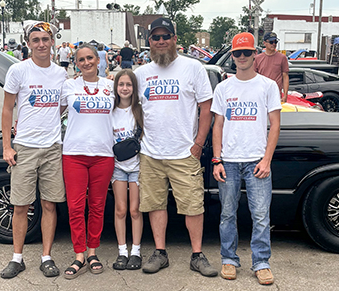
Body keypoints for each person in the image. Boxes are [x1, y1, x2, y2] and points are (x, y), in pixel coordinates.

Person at [134, 17, 217, 277]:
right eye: (155, 38)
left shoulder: (193, 68)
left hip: (184, 152)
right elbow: (133, 107)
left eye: (165, 36)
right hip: (150, 152)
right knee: (155, 204)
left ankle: (197, 254)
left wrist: (199, 143)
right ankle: (160, 252)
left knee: (193, 205)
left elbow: (207, 107)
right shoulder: (141, 73)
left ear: (174, 40)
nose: (160, 42)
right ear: (149, 42)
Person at [211, 32, 281, 285]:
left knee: (261, 215)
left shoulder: (267, 86)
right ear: (232, 56)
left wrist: (266, 160)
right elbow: (217, 125)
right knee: (228, 213)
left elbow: (275, 125)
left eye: (247, 52)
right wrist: (216, 160)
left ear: (255, 54)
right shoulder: (223, 88)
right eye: (238, 53)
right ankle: (229, 259)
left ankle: (261, 262)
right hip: (228, 160)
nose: (242, 57)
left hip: (256, 161)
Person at [0, 20, 67, 279]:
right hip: (25, 146)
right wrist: (8, 146)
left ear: (52, 43)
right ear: (28, 44)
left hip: (52, 147)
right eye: (36, 40)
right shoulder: (18, 70)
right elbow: (7, 108)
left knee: (49, 205)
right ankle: (17, 258)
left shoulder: (60, 73)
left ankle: (46, 256)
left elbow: (60, 107)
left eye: (45, 40)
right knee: (21, 205)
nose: (41, 44)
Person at [60, 43, 115, 279]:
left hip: (103, 154)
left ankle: (93, 251)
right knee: (75, 206)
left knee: (97, 206)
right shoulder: (69, 86)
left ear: (99, 60)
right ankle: (79, 254)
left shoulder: (111, 86)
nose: (86, 63)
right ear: (76, 63)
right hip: (74, 154)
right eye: (81, 60)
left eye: (90, 58)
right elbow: (53, 112)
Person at [111, 69, 143, 271]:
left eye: (128, 85)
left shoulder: (139, 111)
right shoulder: (110, 111)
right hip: (117, 167)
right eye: (121, 84)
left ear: (134, 88)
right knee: (120, 210)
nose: (124, 88)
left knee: (135, 210)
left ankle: (136, 251)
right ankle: (122, 250)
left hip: (138, 166)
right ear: (115, 87)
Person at [253, 32, 289, 103]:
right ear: (264, 43)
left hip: (275, 96)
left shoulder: (282, 58)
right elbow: (253, 77)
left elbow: (285, 77)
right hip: (260, 96)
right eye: (271, 42)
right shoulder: (257, 58)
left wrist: (285, 95)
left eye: (275, 42)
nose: (274, 44)